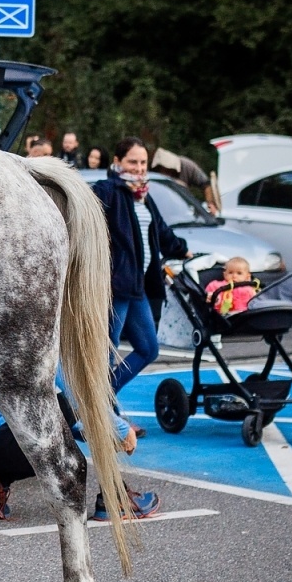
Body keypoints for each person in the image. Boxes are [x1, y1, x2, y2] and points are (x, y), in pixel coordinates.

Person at [0, 369, 160, 522]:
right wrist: (121, 431)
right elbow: (80, 396)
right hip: (6, 438)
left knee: (51, 412)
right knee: (65, 404)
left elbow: (59, 424)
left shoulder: (6, 339)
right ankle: (114, 499)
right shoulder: (44, 335)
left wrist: (96, 434)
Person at [91, 137, 189, 403]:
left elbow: (159, 230)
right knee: (106, 352)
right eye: (132, 161)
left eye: (143, 162)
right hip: (115, 286)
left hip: (138, 286)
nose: (138, 167)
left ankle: (102, 399)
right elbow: (86, 211)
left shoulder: (143, 194)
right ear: (117, 162)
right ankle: (106, 417)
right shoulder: (109, 190)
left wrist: (183, 249)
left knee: (148, 349)